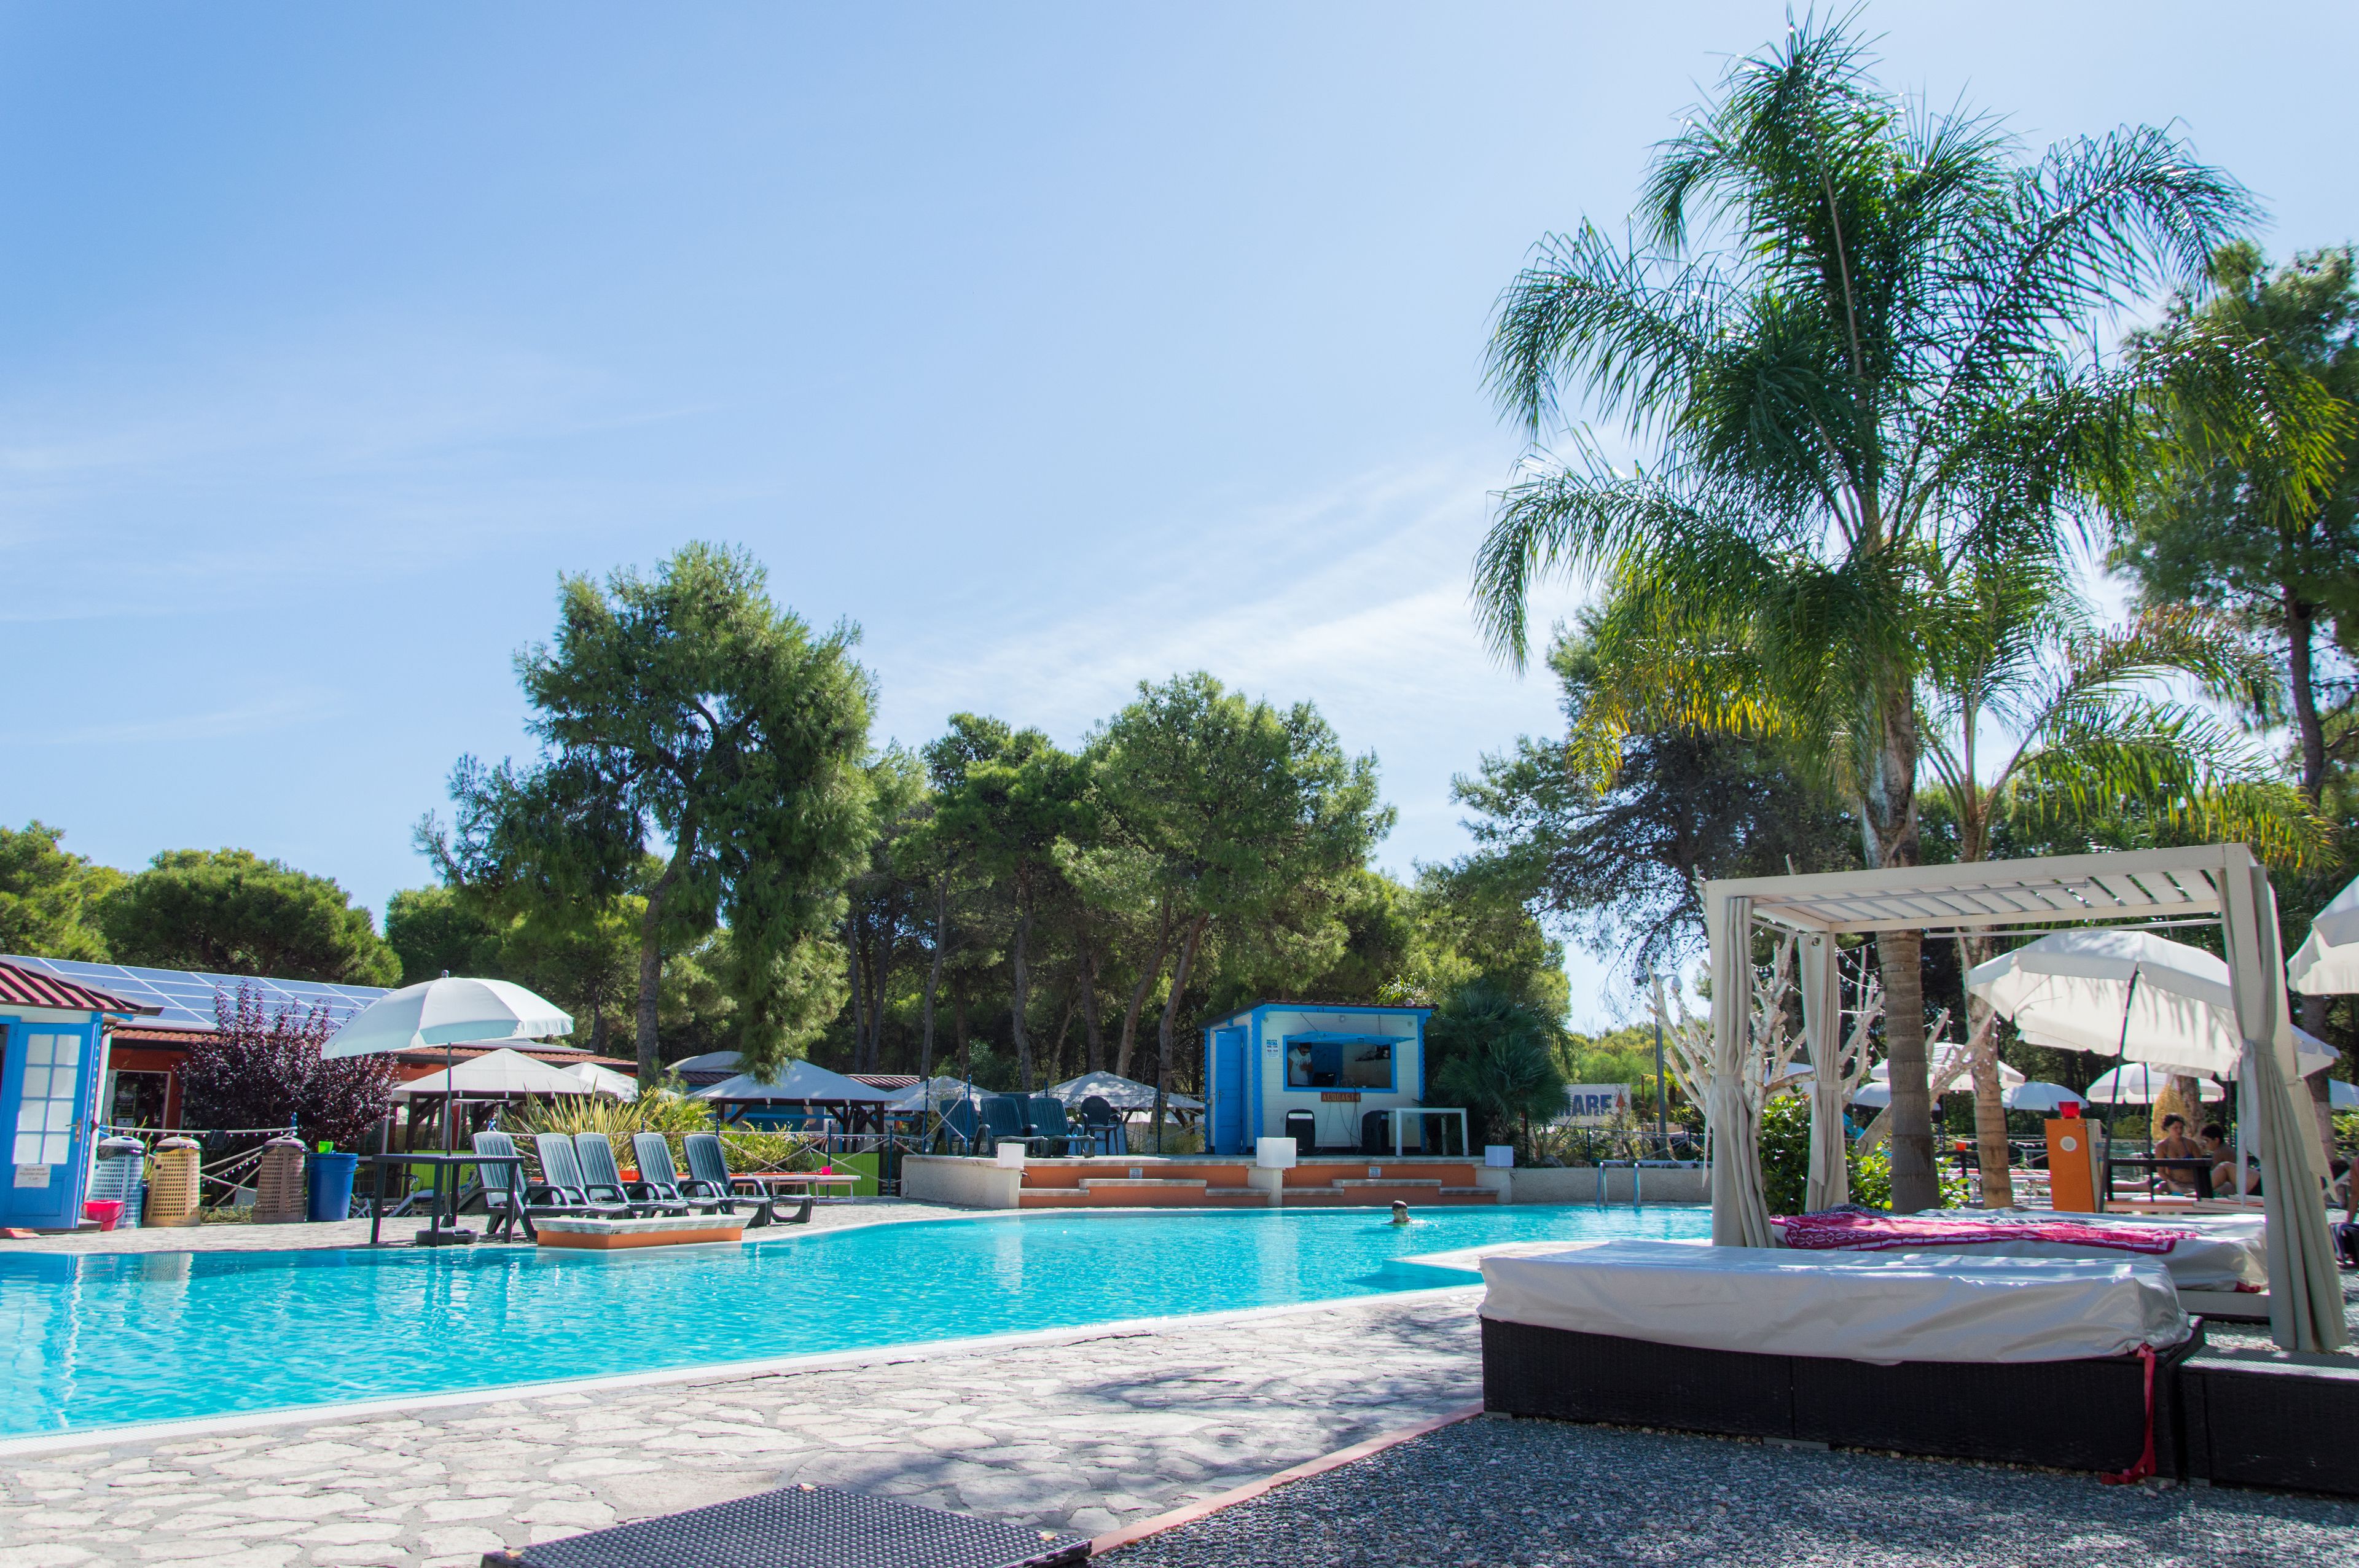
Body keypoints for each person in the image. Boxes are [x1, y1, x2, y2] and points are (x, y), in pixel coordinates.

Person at [2152, 1114, 2204, 1193]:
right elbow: (2161, 1171)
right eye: (2175, 1128)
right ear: (2167, 1128)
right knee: (2158, 1189)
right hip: (2173, 1182)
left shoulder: (2191, 1144)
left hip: (2193, 1183)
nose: (2179, 1131)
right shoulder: (2162, 1146)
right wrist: (2172, 1182)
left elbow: (2201, 1166)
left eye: (2181, 1128)